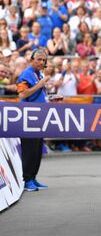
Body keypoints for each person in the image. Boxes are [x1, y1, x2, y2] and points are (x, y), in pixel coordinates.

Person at [16, 49, 50, 191]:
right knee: (30, 149)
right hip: (28, 118)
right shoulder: (26, 74)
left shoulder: (38, 74)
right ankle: (27, 180)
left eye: (43, 60)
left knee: (37, 150)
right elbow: (23, 94)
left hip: (39, 117)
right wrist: (40, 85)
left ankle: (33, 178)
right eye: (39, 60)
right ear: (32, 60)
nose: (41, 62)